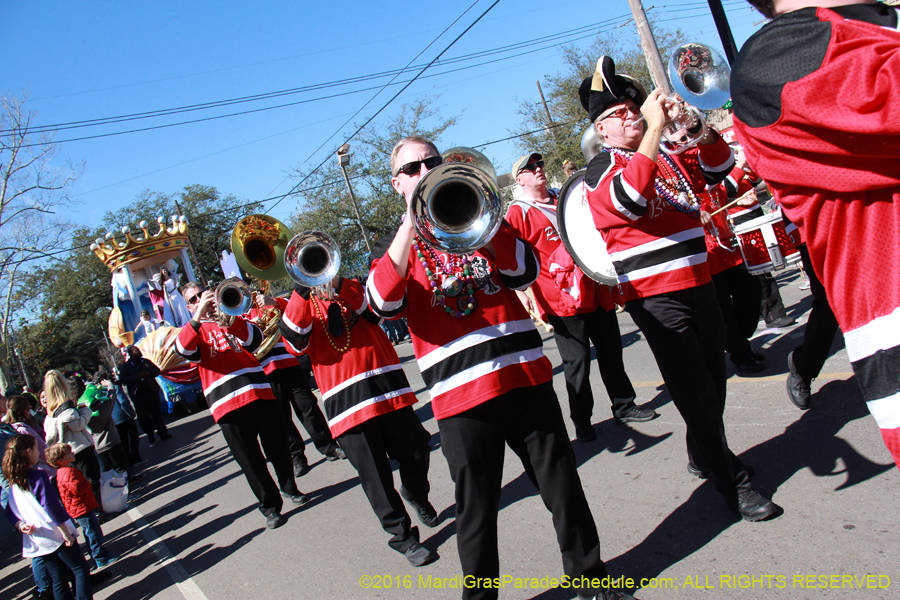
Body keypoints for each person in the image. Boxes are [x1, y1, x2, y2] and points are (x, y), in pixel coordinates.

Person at [366, 134, 634, 600]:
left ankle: (592, 581)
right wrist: (411, 225)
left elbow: (525, 271)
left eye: (432, 161)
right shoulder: (397, 253)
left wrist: (482, 227)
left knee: (564, 490)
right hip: (461, 402)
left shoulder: (482, 221)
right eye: (412, 168)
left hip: (525, 379)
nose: (425, 170)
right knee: (477, 514)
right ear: (397, 184)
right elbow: (382, 302)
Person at [580, 56, 776, 521]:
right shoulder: (600, 170)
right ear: (600, 130)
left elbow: (721, 166)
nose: (631, 115)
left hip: (701, 282)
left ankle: (700, 451)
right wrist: (652, 128)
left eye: (634, 108)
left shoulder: (666, 156)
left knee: (713, 382)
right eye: (619, 114)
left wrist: (696, 124)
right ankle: (733, 482)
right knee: (695, 393)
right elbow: (629, 201)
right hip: (657, 300)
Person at [731, 0, 900, 467]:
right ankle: (802, 367)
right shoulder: (783, 54)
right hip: (693, 269)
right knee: (818, 312)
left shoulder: (855, 30)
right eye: (616, 115)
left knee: (824, 310)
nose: (631, 118)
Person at [279, 276, 438, 567]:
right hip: (346, 405)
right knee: (375, 476)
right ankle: (402, 537)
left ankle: (415, 493)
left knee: (418, 450)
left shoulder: (351, 286)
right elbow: (293, 341)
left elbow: (374, 313)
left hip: (388, 388)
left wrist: (339, 283)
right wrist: (301, 289)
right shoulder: (300, 304)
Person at [505, 151, 656, 442]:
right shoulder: (519, 212)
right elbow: (515, 257)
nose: (538, 169)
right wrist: (520, 291)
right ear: (520, 179)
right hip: (561, 301)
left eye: (540, 164)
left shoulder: (565, 196)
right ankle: (582, 420)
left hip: (595, 288)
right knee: (578, 364)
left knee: (612, 351)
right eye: (530, 167)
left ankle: (624, 405)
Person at [175, 281, 309, 530]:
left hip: (259, 393)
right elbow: (183, 350)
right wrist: (197, 317)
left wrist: (229, 319)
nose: (199, 301)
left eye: (201, 296)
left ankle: (290, 488)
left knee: (278, 449)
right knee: (251, 461)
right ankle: (270, 507)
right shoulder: (192, 330)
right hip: (227, 406)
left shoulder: (232, 317)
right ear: (188, 306)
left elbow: (255, 340)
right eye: (193, 300)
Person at [248, 293, 345, 477]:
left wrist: (273, 301)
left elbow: (294, 312)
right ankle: (297, 457)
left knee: (308, 408)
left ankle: (329, 447)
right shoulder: (239, 317)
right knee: (283, 419)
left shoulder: (269, 304)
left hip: (291, 363)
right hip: (266, 372)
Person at [3, 434, 93, 600]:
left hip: (38, 538)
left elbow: (10, 512)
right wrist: (65, 532)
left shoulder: (14, 483)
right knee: (80, 569)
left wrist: (20, 525)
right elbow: (50, 507)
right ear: (28, 452)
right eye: (37, 448)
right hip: (55, 533)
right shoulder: (38, 476)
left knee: (58, 578)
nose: (40, 452)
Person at [47, 443, 118, 570]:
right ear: (60, 460)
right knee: (93, 532)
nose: (72, 453)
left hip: (80, 506)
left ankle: (97, 554)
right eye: (69, 453)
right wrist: (88, 483)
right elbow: (77, 489)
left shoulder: (64, 471)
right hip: (82, 507)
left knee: (90, 531)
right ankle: (100, 557)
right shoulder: (68, 472)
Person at [42, 371, 104, 508]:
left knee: (78, 483)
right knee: (91, 480)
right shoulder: (66, 409)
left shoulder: (50, 413)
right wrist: (86, 411)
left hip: (67, 452)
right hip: (80, 448)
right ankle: (97, 510)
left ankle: (91, 510)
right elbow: (78, 424)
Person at [118, 346, 171, 446]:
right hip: (138, 395)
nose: (138, 351)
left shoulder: (145, 362)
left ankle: (163, 433)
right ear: (130, 353)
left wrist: (149, 373)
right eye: (135, 350)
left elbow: (157, 370)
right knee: (143, 415)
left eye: (138, 350)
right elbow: (123, 379)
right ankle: (150, 434)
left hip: (151, 391)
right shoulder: (126, 367)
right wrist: (136, 376)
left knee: (157, 413)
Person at [6, 395, 54, 474]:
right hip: (45, 469)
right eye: (29, 408)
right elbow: (43, 450)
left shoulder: (11, 429)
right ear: (24, 411)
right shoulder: (24, 430)